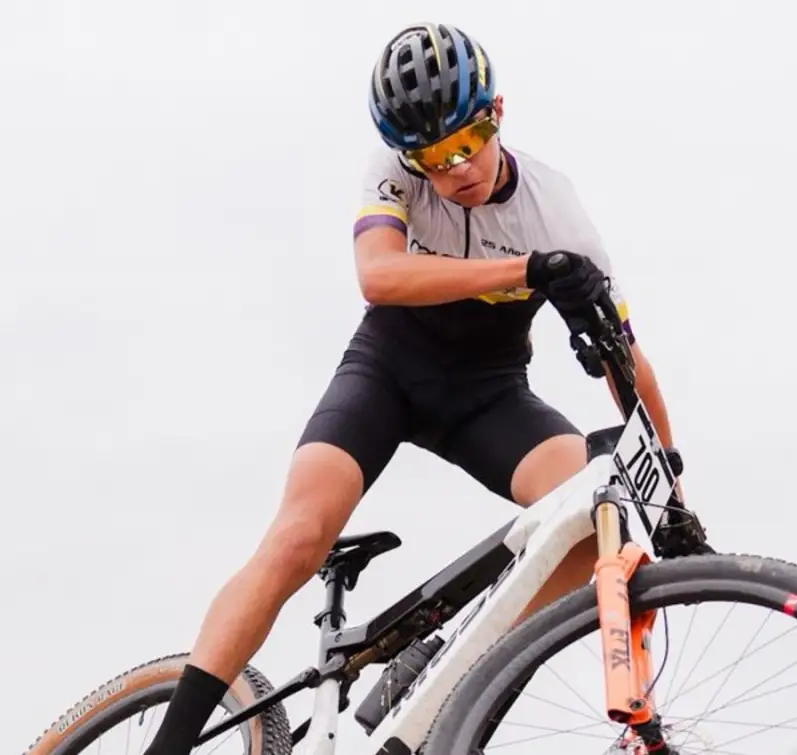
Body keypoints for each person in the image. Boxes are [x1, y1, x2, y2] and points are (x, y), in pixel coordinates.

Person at [141, 21, 681, 755]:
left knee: (594, 523)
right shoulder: (392, 172)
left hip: (487, 394)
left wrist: (671, 495)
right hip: (386, 373)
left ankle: (451, 684)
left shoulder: (555, 211)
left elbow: (627, 361)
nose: (453, 168)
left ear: (497, 113)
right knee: (297, 538)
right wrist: (529, 270)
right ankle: (170, 744)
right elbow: (379, 275)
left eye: (466, 142)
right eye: (430, 156)